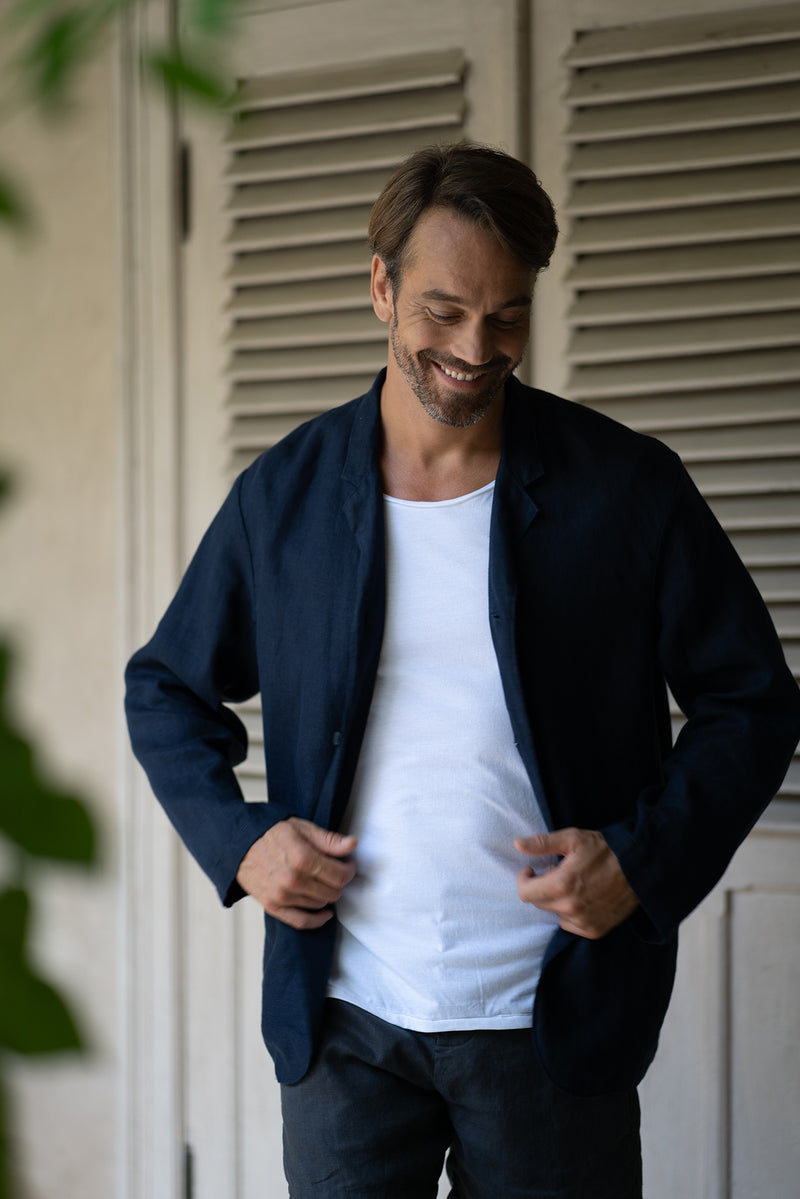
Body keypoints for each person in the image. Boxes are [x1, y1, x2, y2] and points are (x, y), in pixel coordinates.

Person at [125, 143, 800, 1198]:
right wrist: (242, 841)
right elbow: (166, 686)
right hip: (344, 1023)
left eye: (506, 316)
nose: (475, 350)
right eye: (443, 311)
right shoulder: (283, 496)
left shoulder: (627, 488)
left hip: (551, 1023)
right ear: (381, 286)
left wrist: (641, 861)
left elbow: (751, 702)